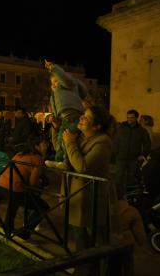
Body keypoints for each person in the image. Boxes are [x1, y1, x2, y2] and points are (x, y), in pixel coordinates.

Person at [62, 106, 115, 275]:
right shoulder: (81, 137)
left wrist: (70, 143)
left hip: (92, 200)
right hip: (77, 195)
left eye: (87, 117)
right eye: (83, 115)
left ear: (97, 126)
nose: (81, 118)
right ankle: (83, 269)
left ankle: (100, 271)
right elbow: (69, 162)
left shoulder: (103, 142)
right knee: (80, 239)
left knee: (97, 242)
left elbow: (83, 167)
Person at [0, 136, 50, 239]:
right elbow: (32, 182)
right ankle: (25, 232)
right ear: (36, 146)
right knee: (43, 208)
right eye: (44, 144)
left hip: (1, 183)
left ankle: (7, 226)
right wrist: (41, 183)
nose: (47, 146)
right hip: (14, 188)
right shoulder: (38, 159)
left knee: (15, 201)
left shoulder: (20, 153)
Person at [44, 60, 87, 170]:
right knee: (59, 140)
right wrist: (52, 118)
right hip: (64, 119)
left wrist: (52, 68)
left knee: (66, 140)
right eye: (52, 83)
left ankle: (66, 162)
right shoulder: (53, 97)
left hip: (74, 115)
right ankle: (58, 160)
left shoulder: (69, 86)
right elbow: (55, 111)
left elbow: (64, 78)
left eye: (56, 81)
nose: (54, 84)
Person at [113, 109, 151, 192]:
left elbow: (147, 144)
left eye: (132, 117)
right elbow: (116, 140)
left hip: (134, 159)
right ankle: (118, 196)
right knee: (118, 178)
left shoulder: (141, 131)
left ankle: (130, 196)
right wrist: (115, 152)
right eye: (128, 117)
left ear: (136, 118)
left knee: (131, 179)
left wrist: (143, 155)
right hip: (120, 157)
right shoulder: (121, 128)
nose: (129, 119)